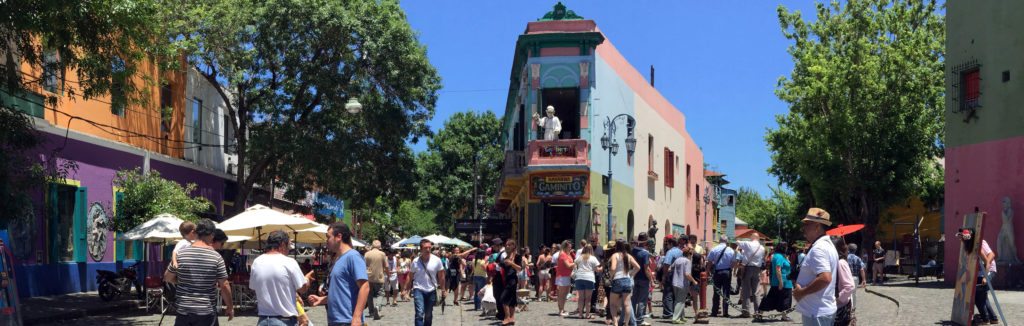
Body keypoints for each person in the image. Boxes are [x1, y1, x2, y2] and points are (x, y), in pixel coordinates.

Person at [164, 219, 233, 326]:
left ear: (196, 232)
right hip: (206, 312)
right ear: (212, 235)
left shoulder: (181, 254)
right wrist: (230, 307)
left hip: (184, 311)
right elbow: (224, 285)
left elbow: (167, 277)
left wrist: (182, 281)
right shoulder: (216, 257)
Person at [307, 223, 369, 326]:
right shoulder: (338, 259)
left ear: (339, 237)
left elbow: (364, 287)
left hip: (347, 321)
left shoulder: (353, 256)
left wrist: (357, 317)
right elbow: (342, 291)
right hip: (336, 320)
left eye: (328, 237)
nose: (326, 240)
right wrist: (322, 299)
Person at [250, 231, 309, 326]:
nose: (289, 250)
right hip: (284, 320)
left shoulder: (256, 262)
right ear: (282, 245)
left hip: (263, 320)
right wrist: (307, 280)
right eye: (288, 246)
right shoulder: (289, 262)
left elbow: (253, 287)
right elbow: (302, 289)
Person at [793, 208, 839, 326]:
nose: (803, 228)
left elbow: (825, 278)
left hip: (816, 312)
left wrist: (801, 292)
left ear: (817, 226)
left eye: (807, 224)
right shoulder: (827, 245)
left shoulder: (819, 248)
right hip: (820, 310)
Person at [406, 238, 446, 326]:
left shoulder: (437, 260)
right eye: (425, 248)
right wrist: (406, 290)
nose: (428, 249)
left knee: (428, 314)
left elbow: (441, 276)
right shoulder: (415, 261)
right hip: (418, 289)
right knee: (419, 313)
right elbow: (410, 276)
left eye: (429, 247)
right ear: (421, 249)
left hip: (431, 290)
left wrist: (443, 290)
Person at [758, 241, 793, 322]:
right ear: (783, 248)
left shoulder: (780, 256)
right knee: (775, 299)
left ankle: (783, 316)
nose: (787, 248)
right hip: (782, 282)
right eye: (786, 247)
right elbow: (778, 269)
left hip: (785, 282)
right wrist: (781, 282)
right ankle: (760, 313)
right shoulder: (779, 257)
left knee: (781, 299)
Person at [608, 239, 640, 326]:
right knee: (627, 304)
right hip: (627, 280)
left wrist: (611, 276)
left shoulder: (615, 255)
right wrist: (631, 274)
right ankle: (626, 323)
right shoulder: (628, 255)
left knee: (612, 304)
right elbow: (637, 267)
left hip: (617, 279)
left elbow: (613, 268)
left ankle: (615, 322)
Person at [736, 234, 766, 318]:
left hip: (747, 268)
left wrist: (739, 238)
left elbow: (737, 242)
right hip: (757, 269)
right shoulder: (762, 248)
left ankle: (746, 311)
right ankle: (758, 311)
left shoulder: (748, 244)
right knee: (756, 292)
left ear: (752, 238)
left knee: (746, 290)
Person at [706, 237, 735, 318]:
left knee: (716, 292)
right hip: (727, 272)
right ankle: (725, 312)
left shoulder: (714, 249)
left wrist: (707, 271)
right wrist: (730, 269)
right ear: (727, 241)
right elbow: (733, 263)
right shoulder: (731, 250)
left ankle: (714, 312)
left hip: (717, 272)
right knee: (726, 292)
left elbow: (709, 262)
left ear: (719, 241)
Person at [630, 233, 654, 326]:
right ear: (645, 242)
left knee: (633, 299)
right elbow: (646, 268)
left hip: (634, 277)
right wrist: (651, 280)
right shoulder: (645, 253)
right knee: (642, 300)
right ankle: (639, 319)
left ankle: (632, 318)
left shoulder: (633, 251)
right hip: (643, 278)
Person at [832, 237, 856, 326]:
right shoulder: (838, 261)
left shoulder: (841, 262)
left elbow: (849, 286)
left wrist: (838, 300)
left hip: (841, 307)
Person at [670, 246, 698, 324]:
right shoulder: (687, 261)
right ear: (690, 254)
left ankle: (681, 317)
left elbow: (670, 268)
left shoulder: (677, 259)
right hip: (682, 283)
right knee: (680, 301)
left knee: (678, 300)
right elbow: (687, 274)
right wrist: (694, 281)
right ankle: (675, 318)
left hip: (674, 282)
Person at [573, 245, 601, 319]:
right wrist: (602, 268)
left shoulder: (579, 257)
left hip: (579, 277)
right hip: (589, 278)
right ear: (591, 250)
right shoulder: (593, 258)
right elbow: (597, 269)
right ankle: (587, 315)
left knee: (581, 298)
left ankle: (580, 314)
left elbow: (575, 265)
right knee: (588, 299)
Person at [363, 240, 388, 320]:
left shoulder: (367, 254)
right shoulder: (382, 254)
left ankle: (371, 311)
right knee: (380, 293)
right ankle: (378, 306)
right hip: (379, 277)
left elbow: (363, 265)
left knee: (369, 294)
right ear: (379, 247)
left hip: (368, 276)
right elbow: (386, 266)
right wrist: (388, 273)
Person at [499, 240, 523, 325]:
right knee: (512, 299)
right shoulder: (505, 257)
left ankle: (507, 317)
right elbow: (501, 267)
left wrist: (511, 263)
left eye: (509, 245)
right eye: (506, 245)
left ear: (513, 246)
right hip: (505, 280)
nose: (507, 246)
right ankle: (512, 318)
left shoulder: (517, 256)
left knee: (503, 298)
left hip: (513, 279)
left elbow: (520, 268)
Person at [659, 237, 683, 319]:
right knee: (676, 294)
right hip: (679, 274)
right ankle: (676, 312)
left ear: (671, 244)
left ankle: (668, 313)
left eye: (667, 244)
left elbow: (666, 264)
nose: (667, 246)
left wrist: (664, 276)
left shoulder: (670, 252)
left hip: (671, 274)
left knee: (668, 294)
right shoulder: (681, 252)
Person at [554, 240, 574, 317]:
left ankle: (562, 309)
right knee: (561, 295)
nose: (570, 248)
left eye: (570, 247)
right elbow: (568, 265)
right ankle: (560, 310)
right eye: (569, 247)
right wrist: (576, 263)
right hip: (562, 276)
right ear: (565, 246)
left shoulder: (567, 254)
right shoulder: (562, 254)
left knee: (565, 294)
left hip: (567, 276)